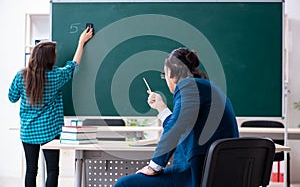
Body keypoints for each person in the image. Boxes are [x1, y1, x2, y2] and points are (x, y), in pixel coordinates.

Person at [114, 47, 239, 187]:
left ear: (171, 73)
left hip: (196, 175)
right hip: (221, 175)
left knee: (124, 184)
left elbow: (176, 127)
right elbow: (180, 125)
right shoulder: (206, 88)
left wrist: (154, 166)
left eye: (164, 75)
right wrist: (161, 108)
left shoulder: (188, 86)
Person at [8, 28, 93, 187]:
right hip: (50, 131)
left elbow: (12, 98)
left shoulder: (22, 76)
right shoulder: (56, 75)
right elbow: (73, 66)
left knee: (31, 170)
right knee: (53, 169)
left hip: (28, 131)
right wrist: (81, 42)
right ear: (49, 59)